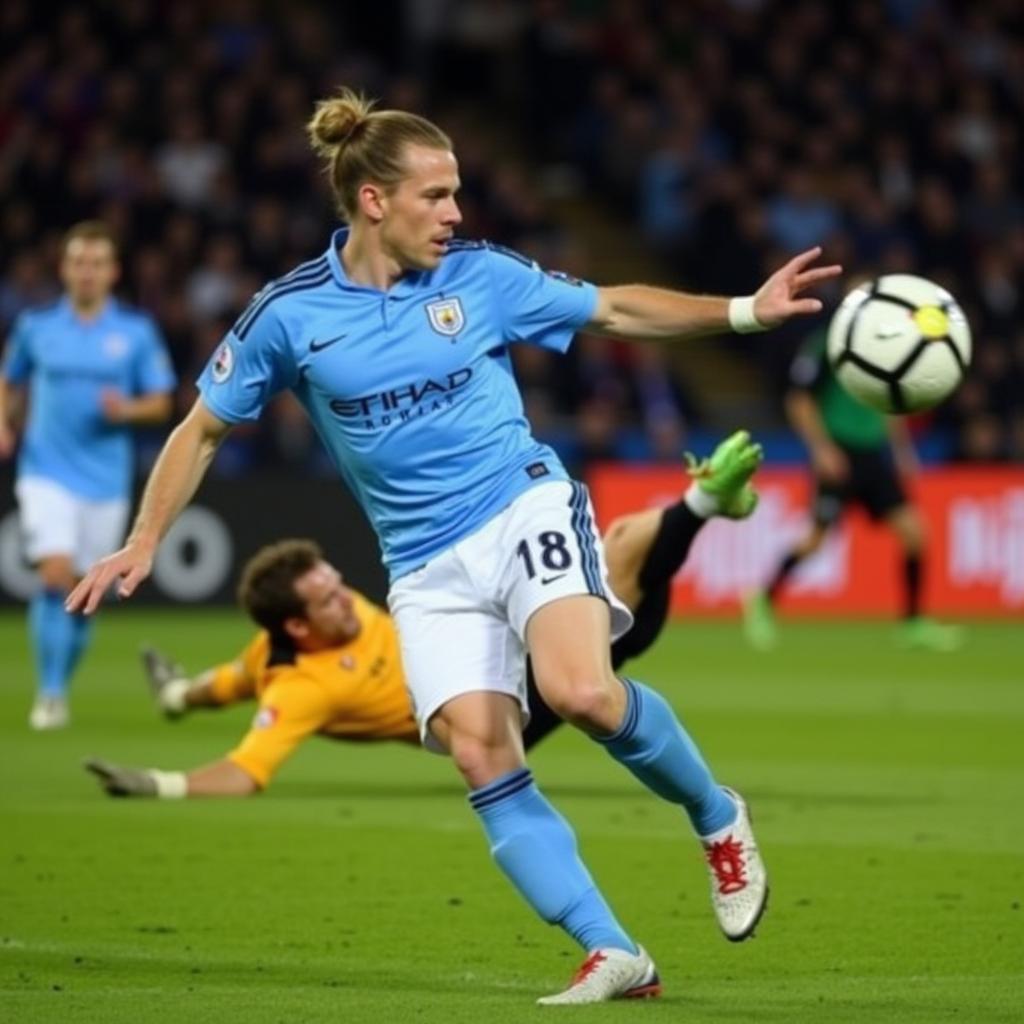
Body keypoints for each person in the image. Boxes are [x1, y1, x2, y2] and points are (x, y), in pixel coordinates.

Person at [68, 89, 840, 1003]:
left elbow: (614, 310)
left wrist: (746, 310)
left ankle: (717, 816)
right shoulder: (289, 316)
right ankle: (613, 953)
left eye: (456, 193)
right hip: (423, 566)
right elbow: (201, 429)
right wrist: (143, 537)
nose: (455, 213)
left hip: (522, 506)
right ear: (373, 201)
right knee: (480, 752)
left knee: (582, 691)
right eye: (436, 195)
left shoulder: (479, 277)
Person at [84, 430, 762, 797]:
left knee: (617, 546)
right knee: (623, 577)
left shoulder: (293, 639)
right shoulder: (301, 688)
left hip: (483, 642)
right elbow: (243, 772)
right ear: (297, 627)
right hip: (491, 704)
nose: (341, 598)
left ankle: (701, 503)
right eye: (323, 599)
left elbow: (232, 680)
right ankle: (700, 508)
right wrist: (158, 782)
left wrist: (179, 693)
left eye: (333, 584)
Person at [0, 221, 176, 730]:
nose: (87, 272)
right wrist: (6, 425)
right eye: (78, 262)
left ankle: (60, 682)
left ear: (113, 272)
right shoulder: (36, 327)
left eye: (97, 263)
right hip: (44, 470)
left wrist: (126, 411)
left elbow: (162, 402)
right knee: (55, 576)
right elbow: (8, 381)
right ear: (64, 269)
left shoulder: (135, 333)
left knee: (83, 593)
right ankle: (50, 693)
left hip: (105, 479)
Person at [742, 319, 963, 651]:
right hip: (838, 453)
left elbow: (890, 402)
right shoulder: (826, 346)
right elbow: (799, 400)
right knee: (816, 541)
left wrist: (903, 452)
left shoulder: (888, 348)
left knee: (915, 532)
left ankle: (913, 622)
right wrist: (821, 449)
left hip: (873, 455)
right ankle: (762, 600)